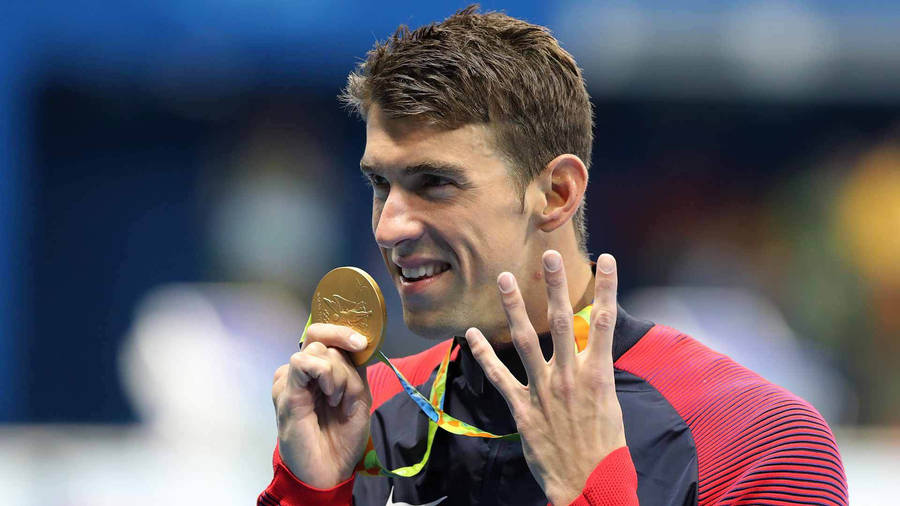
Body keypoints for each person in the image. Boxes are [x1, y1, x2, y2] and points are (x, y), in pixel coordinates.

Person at [259, 6, 847, 505]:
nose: (389, 226)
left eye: (435, 183)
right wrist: (311, 495)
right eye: (380, 185)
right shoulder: (368, 417)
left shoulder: (758, 439)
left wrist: (593, 490)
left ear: (557, 194)